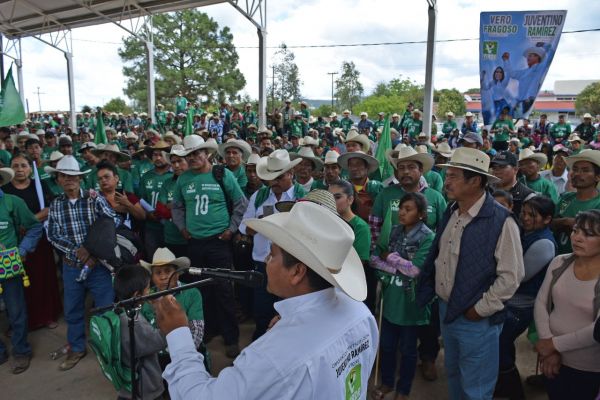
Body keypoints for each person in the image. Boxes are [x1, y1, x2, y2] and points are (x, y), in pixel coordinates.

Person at [153, 201, 378, 400]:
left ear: (297, 271)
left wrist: (177, 334)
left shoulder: (273, 356)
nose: (266, 260)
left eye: (271, 254)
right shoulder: (360, 313)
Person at [417, 147, 525, 400]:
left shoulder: (502, 221)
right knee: (454, 374)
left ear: (475, 181)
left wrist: (480, 310)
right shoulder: (453, 211)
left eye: (454, 176)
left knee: (476, 386)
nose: (447, 181)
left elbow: (511, 277)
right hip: (448, 309)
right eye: (448, 175)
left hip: (476, 318)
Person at [171, 135, 247, 358]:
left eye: (197, 153)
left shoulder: (222, 174)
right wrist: (182, 227)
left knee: (224, 290)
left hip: (218, 242)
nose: (193, 158)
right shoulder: (183, 179)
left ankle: (231, 337)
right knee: (202, 289)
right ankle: (209, 330)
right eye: (189, 154)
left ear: (207, 154)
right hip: (195, 242)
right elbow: (176, 206)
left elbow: (241, 204)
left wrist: (231, 229)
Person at [46, 155, 120, 371]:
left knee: (105, 307)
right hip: (71, 265)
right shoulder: (56, 204)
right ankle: (77, 348)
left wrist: (92, 249)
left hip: (98, 265)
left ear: (79, 179)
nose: (68, 180)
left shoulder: (93, 198)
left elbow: (111, 221)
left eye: (73, 176)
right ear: (58, 180)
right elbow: (52, 234)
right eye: (63, 176)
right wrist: (76, 251)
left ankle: (109, 347)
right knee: (73, 310)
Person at [370, 192, 434, 400]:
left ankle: (404, 389)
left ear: (422, 214)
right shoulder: (395, 231)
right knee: (387, 346)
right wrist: (397, 264)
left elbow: (416, 271)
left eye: (408, 209)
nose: (402, 213)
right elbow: (374, 261)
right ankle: (387, 383)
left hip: (411, 303)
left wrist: (389, 258)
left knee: (408, 350)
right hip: (391, 300)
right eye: (401, 208)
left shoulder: (427, 236)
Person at [239, 150, 305, 339]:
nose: (275, 181)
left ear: (291, 174)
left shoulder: (302, 196)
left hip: (292, 264)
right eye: (271, 177)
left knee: (290, 309)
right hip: (262, 263)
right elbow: (244, 228)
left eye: (280, 176)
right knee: (262, 310)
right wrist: (260, 223)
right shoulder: (259, 196)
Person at [534, 210, 600, 399]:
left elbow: (597, 330)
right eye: (576, 231)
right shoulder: (559, 262)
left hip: (587, 364)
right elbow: (541, 303)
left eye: (589, 234)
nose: (578, 238)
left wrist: (553, 345)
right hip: (551, 357)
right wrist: (548, 348)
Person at [495, 196, 556, 399]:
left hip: (521, 306)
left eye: (533, 215)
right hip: (513, 302)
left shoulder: (543, 243)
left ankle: (513, 391)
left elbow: (519, 276)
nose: (526, 218)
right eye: (524, 213)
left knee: (500, 346)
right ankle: (503, 384)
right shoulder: (527, 233)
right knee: (503, 344)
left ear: (547, 219)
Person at [3, 154, 61, 330]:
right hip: (14, 243)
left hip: (40, 238)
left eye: (23, 165)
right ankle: (23, 322)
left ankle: (46, 316)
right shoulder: (5, 190)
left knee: (43, 278)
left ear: (30, 168)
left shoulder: (39, 185)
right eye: (15, 166)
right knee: (17, 284)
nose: (20, 169)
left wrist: (30, 221)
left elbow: (49, 208)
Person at [0, 167, 43, 374]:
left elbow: (35, 227)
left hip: (9, 267)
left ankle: (21, 351)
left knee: (15, 310)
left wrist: (22, 249)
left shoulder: (12, 202)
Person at [140, 248, 204, 369]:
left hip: (186, 355)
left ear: (178, 273)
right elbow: (143, 333)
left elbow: (197, 332)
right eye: (158, 273)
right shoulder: (146, 298)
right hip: (155, 357)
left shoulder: (192, 293)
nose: (163, 277)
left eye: (168, 271)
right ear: (152, 277)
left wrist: (179, 355)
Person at [113, 264, 167, 400]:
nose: (150, 291)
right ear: (137, 295)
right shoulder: (134, 322)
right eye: (148, 288)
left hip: (125, 385)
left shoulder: (116, 312)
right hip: (144, 390)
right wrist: (160, 310)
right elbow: (160, 341)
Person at [552, 149, 600, 255]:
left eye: (585, 170)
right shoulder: (566, 198)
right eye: (575, 169)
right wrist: (565, 221)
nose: (577, 174)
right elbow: (550, 222)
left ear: (597, 177)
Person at [328, 179, 371, 284]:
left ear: (350, 200)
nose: (332, 201)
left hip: (347, 282)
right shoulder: (327, 221)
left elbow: (358, 264)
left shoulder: (361, 227)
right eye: (329, 197)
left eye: (337, 197)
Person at [139, 141, 173, 257]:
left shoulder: (175, 176)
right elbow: (141, 199)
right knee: (153, 259)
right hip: (151, 227)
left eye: (161, 155)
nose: (158, 158)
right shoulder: (146, 177)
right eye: (155, 155)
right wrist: (147, 214)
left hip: (172, 228)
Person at [95, 160, 146, 226]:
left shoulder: (128, 196)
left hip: (127, 234)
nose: (103, 180)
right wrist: (116, 209)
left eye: (106, 177)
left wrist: (127, 204)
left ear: (116, 178)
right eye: (100, 179)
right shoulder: (95, 198)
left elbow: (142, 216)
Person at [337, 150, 382, 223]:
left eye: (358, 164)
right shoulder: (342, 189)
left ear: (366, 167)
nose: (354, 168)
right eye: (351, 165)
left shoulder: (377, 188)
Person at [490, 150, 536, 220]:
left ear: (515, 170)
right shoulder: (486, 190)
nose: (497, 171)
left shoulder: (528, 196)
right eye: (494, 168)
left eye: (502, 167)